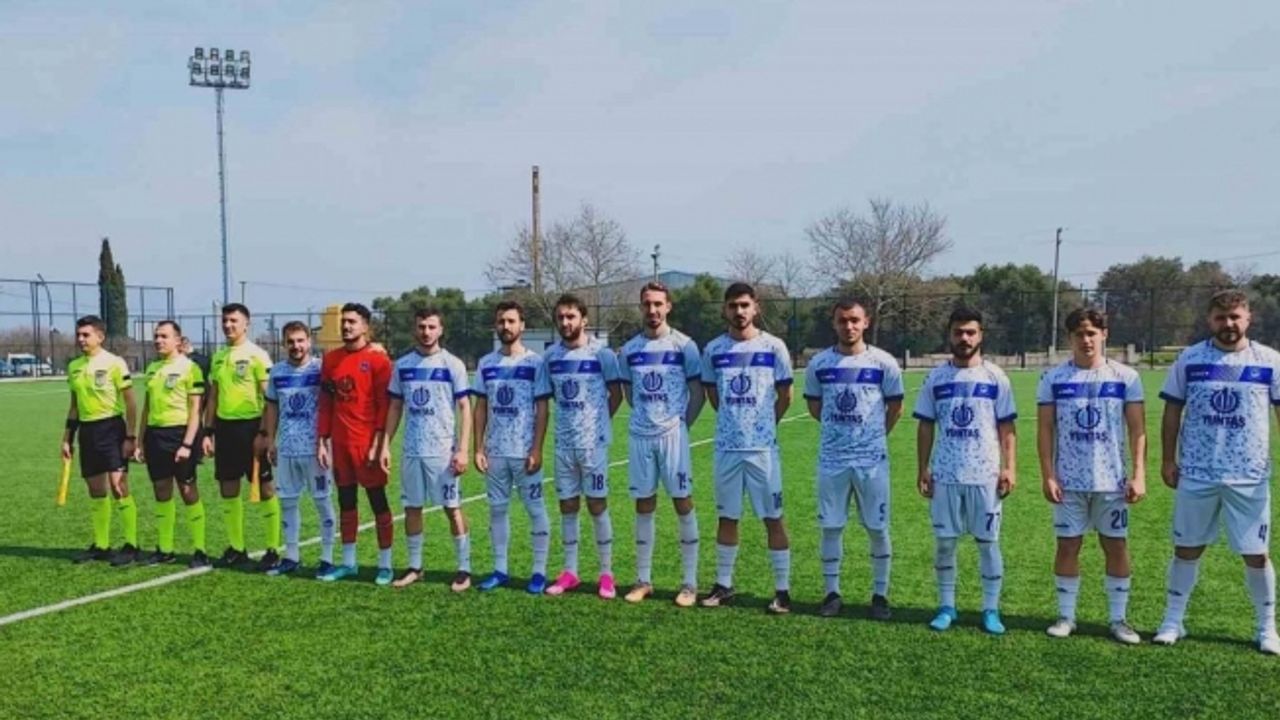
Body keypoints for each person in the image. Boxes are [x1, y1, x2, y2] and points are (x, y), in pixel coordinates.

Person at [1154, 289, 1280, 654]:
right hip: (1197, 472)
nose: (1229, 324)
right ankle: (1173, 621)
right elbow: (1172, 411)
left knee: (1256, 553)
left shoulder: (1269, 360)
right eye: (1221, 318)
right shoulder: (1190, 359)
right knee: (1186, 548)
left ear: (1248, 318)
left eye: (1235, 317)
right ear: (1210, 320)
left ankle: (1267, 628)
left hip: (1249, 475)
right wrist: (1167, 459)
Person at [1036, 307, 1145, 644]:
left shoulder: (1125, 377)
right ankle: (1066, 617)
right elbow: (1045, 429)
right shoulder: (1053, 378)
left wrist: (1139, 474)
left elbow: (1137, 429)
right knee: (1068, 545)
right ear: (1070, 338)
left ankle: (1118, 620)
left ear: (1104, 335)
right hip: (1068, 482)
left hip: (1112, 482)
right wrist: (1048, 475)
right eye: (1079, 334)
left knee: (1116, 545)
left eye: (1092, 333)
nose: (1086, 340)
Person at [914, 307, 1017, 635]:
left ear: (981, 335)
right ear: (950, 334)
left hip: (985, 475)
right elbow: (925, 425)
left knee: (988, 543)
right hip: (945, 474)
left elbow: (1007, 427)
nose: (964, 338)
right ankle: (947, 606)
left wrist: (1009, 467)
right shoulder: (936, 378)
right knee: (945, 544)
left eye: (971, 332)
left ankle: (991, 609)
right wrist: (923, 468)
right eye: (958, 332)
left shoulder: (995, 377)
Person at [804, 300, 903, 619]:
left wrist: (874, 436)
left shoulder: (883, 362)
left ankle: (880, 596)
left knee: (877, 528)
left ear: (866, 322)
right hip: (832, 460)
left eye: (855, 320)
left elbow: (895, 408)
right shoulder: (819, 363)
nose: (849, 326)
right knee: (831, 527)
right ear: (834, 323)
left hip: (872, 461)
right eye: (843, 320)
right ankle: (831, 594)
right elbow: (815, 407)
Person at [700, 283, 794, 614]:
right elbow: (713, 395)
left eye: (744, 305)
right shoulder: (713, 349)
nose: (738, 311)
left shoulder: (774, 346)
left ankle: (782, 591)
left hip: (762, 450)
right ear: (724, 310)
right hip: (727, 448)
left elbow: (785, 396)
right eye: (732, 306)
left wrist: (765, 425)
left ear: (756, 307)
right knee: (727, 517)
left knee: (773, 518)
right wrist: (733, 421)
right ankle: (724, 584)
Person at [618, 282, 705, 607]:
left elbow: (697, 393)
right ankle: (643, 580)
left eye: (658, 304)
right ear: (641, 307)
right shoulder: (629, 350)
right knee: (643, 504)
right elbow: (629, 393)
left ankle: (690, 584)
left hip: (673, 436)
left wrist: (681, 426)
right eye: (647, 304)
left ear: (668, 306)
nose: (652, 310)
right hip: (640, 436)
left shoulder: (685, 346)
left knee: (683, 501)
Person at [381, 308, 474, 592]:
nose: (426, 332)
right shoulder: (402, 365)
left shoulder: (452, 364)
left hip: (443, 452)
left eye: (432, 327)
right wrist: (385, 445)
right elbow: (395, 407)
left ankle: (464, 569)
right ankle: (415, 567)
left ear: (440, 330)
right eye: (421, 326)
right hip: (412, 451)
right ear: (415, 329)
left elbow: (465, 407)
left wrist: (463, 449)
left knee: (452, 509)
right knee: (412, 508)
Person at [542, 294, 623, 599]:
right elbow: (550, 396)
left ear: (584, 320)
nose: (565, 322)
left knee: (597, 505)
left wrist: (598, 423)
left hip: (593, 446)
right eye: (561, 317)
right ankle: (570, 572)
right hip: (563, 445)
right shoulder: (550, 357)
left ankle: (606, 574)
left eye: (571, 316)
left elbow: (616, 394)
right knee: (567, 506)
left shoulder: (602, 354)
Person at [473, 300, 553, 594]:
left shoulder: (535, 363)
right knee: (497, 511)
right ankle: (500, 570)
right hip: (495, 453)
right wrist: (478, 448)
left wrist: (537, 448)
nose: (505, 326)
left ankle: (539, 572)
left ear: (522, 325)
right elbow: (481, 407)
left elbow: (542, 409)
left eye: (511, 321)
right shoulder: (486, 363)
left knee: (536, 509)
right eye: (501, 321)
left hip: (524, 453)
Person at [316, 303, 394, 585]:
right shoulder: (330, 360)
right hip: (340, 443)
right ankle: (349, 563)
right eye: (344, 321)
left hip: (366, 443)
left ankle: (385, 564)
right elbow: (326, 402)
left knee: (377, 501)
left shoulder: (378, 360)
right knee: (346, 502)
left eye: (352, 321)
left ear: (365, 326)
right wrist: (322, 440)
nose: (346, 326)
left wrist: (379, 442)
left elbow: (385, 405)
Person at [202, 303, 279, 570]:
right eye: (225, 320)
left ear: (246, 324)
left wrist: (265, 433)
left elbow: (270, 398)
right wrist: (208, 431)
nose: (228, 325)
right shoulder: (218, 356)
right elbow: (213, 397)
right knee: (228, 486)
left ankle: (273, 549)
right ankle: (237, 548)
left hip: (252, 428)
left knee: (265, 486)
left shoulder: (257, 355)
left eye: (234, 320)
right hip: (225, 430)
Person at [61, 315, 141, 565]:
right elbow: (74, 406)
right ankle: (102, 545)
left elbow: (131, 403)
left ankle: (132, 545)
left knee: (118, 486)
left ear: (100, 337)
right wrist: (67, 438)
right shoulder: (74, 366)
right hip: (87, 432)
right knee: (96, 489)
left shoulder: (115, 363)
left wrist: (131, 436)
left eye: (86, 335)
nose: (81, 339)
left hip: (112, 429)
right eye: (78, 335)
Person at [262, 321, 337, 578]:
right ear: (284, 344)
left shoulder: (321, 369)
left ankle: (327, 558)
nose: (296, 346)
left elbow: (331, 406)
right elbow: (272, 407)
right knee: (287, 502)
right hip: (287, 449)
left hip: (316, 450)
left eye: (300, 340)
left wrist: (324, 441)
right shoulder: (277, 372)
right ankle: (291, 556)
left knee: (322, 500)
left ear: (309, 341)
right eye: (291, 342)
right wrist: (271, 440)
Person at [136, 321, 208, 567]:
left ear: (178, 340)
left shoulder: (190, 368)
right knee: (161, 489)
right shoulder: (152, 368)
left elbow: (196, 410)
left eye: (164, 336)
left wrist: (187, 444)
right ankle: (165, 549)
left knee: (187, 490)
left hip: (180, 435)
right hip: (155, 436)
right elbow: (147, 408)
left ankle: (200, 550)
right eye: (156, 336)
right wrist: (140, 441)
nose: (158, 340)